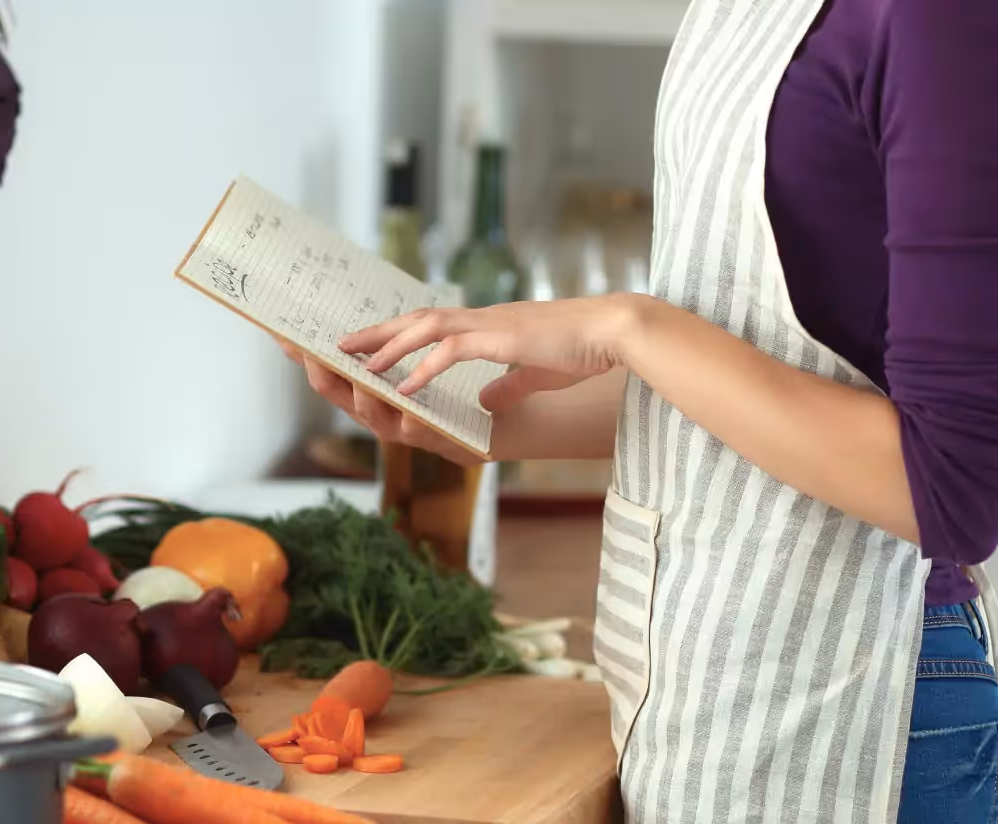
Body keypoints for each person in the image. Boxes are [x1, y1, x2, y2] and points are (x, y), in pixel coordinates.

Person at [277, 0, 998, 820]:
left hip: (869, 700)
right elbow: (770, 362)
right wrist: (485, 417)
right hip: (699, 678)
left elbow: (950, 490)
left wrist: (627, 325)